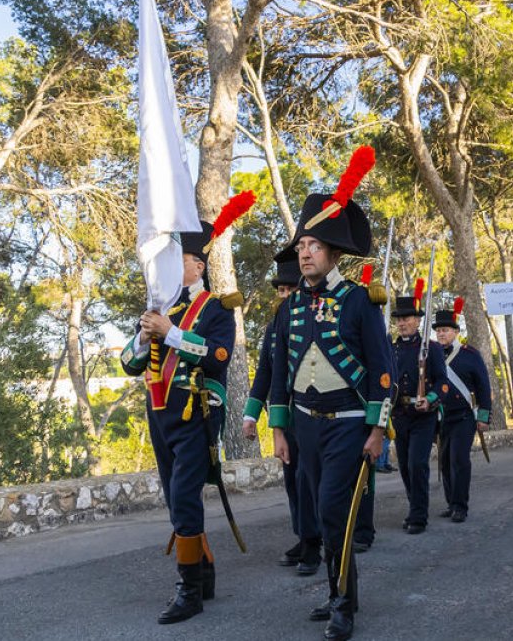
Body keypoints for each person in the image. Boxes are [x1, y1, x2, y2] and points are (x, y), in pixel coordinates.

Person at [266, 188, 394, 641]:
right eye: (300, 246)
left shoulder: (360, 301)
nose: (304, 254)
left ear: (334, 253)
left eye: (313, 246)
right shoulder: (291, 307)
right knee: (319, 517)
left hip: (347, 424)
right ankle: (343, 592)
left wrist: (377, 427)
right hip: (304, 426)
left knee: (333, 511)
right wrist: (279, 429)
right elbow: (279, 372)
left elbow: (382, 371)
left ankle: (342, 604)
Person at [119, 218, 239, 624]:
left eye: (177, 260)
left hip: (196, 414)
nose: (167, 269)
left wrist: (170, 333)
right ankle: (203, 573)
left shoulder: (216, 309)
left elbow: (219, 356)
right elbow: (129, 364)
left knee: (185, 497)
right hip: (160, 415)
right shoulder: (160, 307)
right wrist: (144, 335)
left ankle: (189, 591)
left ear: (197, 266)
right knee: (175, 499)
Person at [242, 259, 322, 575]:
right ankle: (303, 536)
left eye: (290, 288)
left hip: (313, 412)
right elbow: (265, 371)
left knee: (308, 479)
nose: (285, 294)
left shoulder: (315, 316)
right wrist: (251, 414)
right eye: (281, 289)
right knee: (292, 481)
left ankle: (316, 544)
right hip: (285, 416)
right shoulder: (275, 322)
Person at [390, 292, 448, 534]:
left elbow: (443, 383)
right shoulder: (390, 349)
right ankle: (415, 506)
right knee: (404, 466)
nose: (402, 323)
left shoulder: (430, 348)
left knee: (417, 464)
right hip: (399, 415)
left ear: (417, 320)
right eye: (399, 319)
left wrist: (431, 399)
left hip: (423, 416)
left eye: (407, 318)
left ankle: (419, 516)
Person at [432, 299, 491, 523]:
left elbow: (484, 386)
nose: (441, 334)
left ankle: (460, 506)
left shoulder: (470, 354)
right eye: (439, 331)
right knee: (445, 462)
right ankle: (451, 502)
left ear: (456, 332)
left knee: (459, 460)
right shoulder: (432, 354)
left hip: (464, 416)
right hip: (442, 417)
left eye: (445, 330)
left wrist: (484, 417)